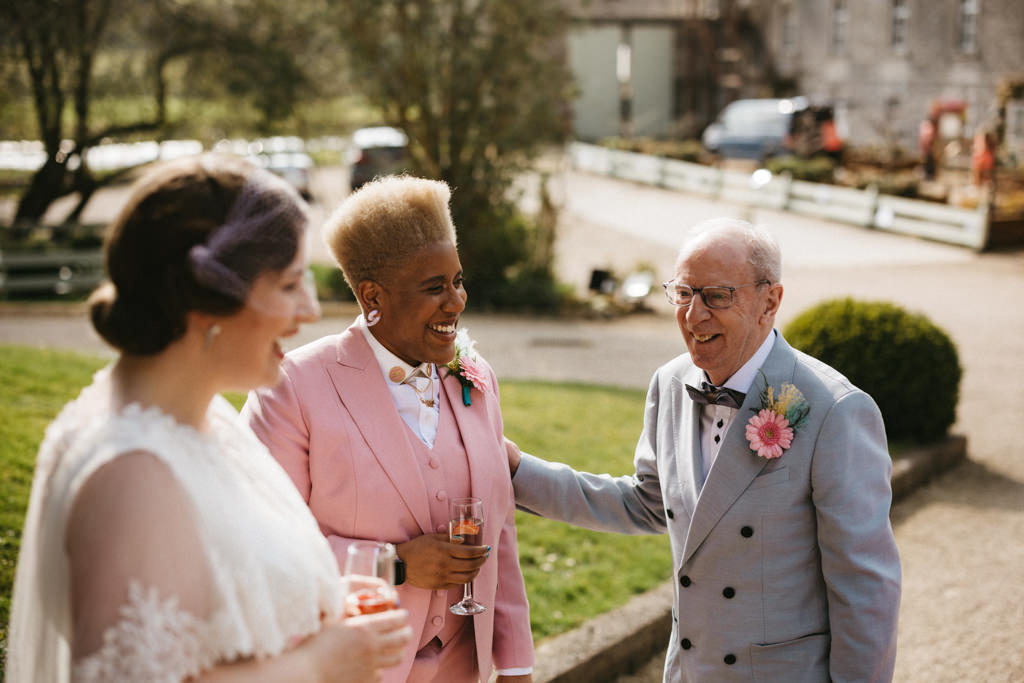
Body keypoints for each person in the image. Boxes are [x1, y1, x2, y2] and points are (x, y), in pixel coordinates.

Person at [5, 155, 412, 683]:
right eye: (289, 286)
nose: (310, 312)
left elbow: (206, 592)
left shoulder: (205, 421)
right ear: (207, 303)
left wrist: (317, 601)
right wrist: (318, 663)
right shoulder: (130, 477)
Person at [506, 218, 901, 681]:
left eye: (717, 296)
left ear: (769, 302)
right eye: (683, 293)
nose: (694, 316)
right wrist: (518, 471)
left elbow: (865, 588)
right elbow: (649, 504)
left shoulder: (836, 411)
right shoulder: (670, 383)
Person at [243, 175, 534, 683]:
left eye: (458, 280)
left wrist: (515, 666)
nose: (456, 301)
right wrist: (392, 565)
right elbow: (261, 548)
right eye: (434, 287)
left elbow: (499, 536)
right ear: (373, 295)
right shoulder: (291, 388)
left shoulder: (475, 376)